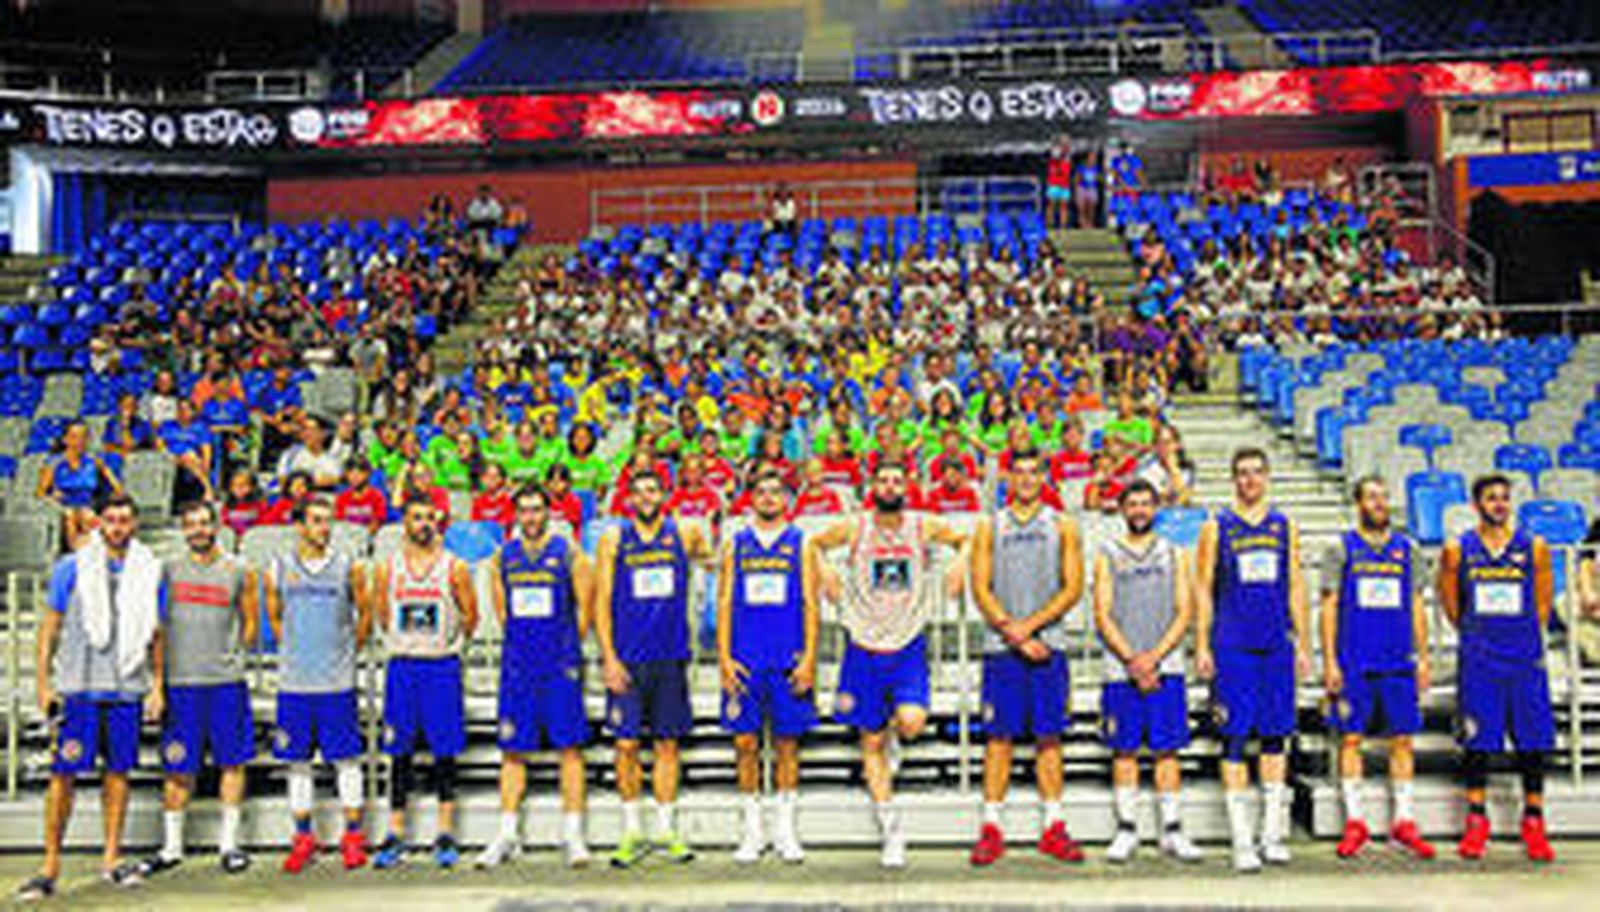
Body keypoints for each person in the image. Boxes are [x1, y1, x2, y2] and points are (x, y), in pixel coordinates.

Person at [807, 459, 968, 868]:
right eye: (883, 479)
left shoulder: (922, 525)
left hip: (907, 642)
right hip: (862, 643)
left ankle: (896, 736)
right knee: (870, 742)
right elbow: (813, 544)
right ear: (872, 486)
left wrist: (959, 562)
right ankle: (890, 829)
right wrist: (824, 568)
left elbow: (966, 538)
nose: (890, 485)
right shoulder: (856, 526)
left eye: (898, 479)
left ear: (907, 486)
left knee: (912, 721)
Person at [17, 495, 166, 901]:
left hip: (126, 688)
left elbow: (155, 633)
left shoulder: (149, 570)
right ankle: (49, 867)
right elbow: (49, 628)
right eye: (112, 519)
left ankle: (112, 860)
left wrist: (157, 685)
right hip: (78, 689)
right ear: (101, 523)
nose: (118, 526)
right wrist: (43, 684)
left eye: (125, 520)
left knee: (118, 775)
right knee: (62, 776)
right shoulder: (72, 567)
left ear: (134, 525)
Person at [968, 449, 1086, 866]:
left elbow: (1073, 587)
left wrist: (1030, 627)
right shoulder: (989, 526)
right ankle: (991, 827)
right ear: (1007, 478)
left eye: (1034, 472)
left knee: (1049, 736)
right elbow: (980, 587)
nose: (1026, 479)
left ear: (1044, 478)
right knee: (998, 737)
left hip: (1048, 646)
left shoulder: (1063, 525)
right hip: (1002, 648)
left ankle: (1053, 827)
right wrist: (1014, 634)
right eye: (1018, 472)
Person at [1195, 447, 1311, 872]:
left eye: (1256, 473)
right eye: (1241, 473)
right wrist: (1203, 645)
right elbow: (1203, 588)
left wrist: (1304, 643)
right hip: (1232, 645)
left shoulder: (1285, 525)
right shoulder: (1216, 526)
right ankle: (1242, 840)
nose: (1249, 480)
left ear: (1267, 477)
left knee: (1276, 738)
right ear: (1232, 479)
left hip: (1275, 646)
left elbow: (1296, 584)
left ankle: (1272, 834)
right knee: (1235, 739)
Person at [592, 471, 715, 867]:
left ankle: (665, 828)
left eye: (653, 490)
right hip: (628, 658)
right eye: (639, 491)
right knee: (626, 744)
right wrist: (608, 656)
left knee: (666, 743)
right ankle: (631, 831)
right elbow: (602, 601)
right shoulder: (614, 539)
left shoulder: (685, 533)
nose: (646, 497)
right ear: (628, 498)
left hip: (670, 654)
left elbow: (716, 563)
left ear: (665, 494)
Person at [1438, 474, 1556, 863]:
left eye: (1505, 498)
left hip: (1523, 657)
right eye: (1492, 498)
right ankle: (1477, 819)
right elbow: (1451, 603)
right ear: (1477, 504)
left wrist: (1522, 635)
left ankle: (1534, 819)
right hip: (1480, 658)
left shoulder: (1533, 547)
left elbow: (1542, 604)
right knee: (1478, 741)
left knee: (1532, 739)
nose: (1500, 504)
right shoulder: (1458, 550)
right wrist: (1474, 634)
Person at [477, 486, 595, 869]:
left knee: (570, 749)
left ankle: (573, 836)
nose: (530, 517)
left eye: (537, 510)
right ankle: (508, 834)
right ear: (515, 516)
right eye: (524, 511)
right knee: (512, 751)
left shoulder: (568, 552)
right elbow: (503, 614)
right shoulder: (502, 558)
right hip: (519, 666)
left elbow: (585, 610)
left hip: (560, 666)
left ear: (549, 512)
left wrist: (563, 650)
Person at [1320, 476, 1435, 860]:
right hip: (1355, 661)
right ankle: (1355, 822)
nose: (1380, 503)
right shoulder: (1341, 548)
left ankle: (1403, 821)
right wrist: (1330, 660)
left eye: (1384, 497)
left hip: (1398, 661)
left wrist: (1423, 657)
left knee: (1402, 740)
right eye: (1372, 497)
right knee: (1350, 739)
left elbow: (1418, 606)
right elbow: (1330, 606)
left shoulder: (1409, 549)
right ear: (1358, 503)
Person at [141, 501, 258, 877]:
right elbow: (155, 630)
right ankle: (172, 847)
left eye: (205, 523)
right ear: (183, 530)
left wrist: (234, 657)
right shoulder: (168, 572)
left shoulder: (238, 569)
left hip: (225, 683)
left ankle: (230, 846)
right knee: (178, 767)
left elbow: (251, 621)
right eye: (191, 525)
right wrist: (157, 685)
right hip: (181, 684)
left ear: (216, 526)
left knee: (232, 762)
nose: (199, 530)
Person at [1093, 479, 1205, 864]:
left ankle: (1171, 831)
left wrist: (1153, 657)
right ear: (1122, 509)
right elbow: (1102, 612)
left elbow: (1184, 610)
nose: (1139, 510)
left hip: (1166, 666)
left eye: (1146, 503)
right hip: (1120, 668)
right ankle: (1127, 831)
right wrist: (1133, 660)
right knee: (1123, 749)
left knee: (1165, 749)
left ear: (1156, 508)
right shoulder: (1107, 552)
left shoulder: (1174, 552)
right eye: (1133, 503)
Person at [264, 496, 374, 874]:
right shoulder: (279, 567)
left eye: (328, 521)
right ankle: (303, 837)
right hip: (294, 683)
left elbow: (365, 613)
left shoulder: (348, 566)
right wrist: (295, 650)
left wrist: (345, 651)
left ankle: (353, 836)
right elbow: (275, 617)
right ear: (299, 525)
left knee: (346, 760)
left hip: (336, 683)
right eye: (316, 521)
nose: (324, 528)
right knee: (297, 764)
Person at [717, 469, 820, 864]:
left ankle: (785, 830)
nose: (769, 498)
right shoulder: (735, 545)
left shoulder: (801, 543)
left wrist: (810, 656)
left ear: (786, 499)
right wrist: (724, 657)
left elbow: (811, 603)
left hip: (787, 659)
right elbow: (725, 603)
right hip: (745, 660)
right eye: (761, 492)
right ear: (750, 499)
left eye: (776, 491)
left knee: (786, 745)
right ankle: (752, 831)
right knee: (745, 745)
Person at [371, 499, 479, 869]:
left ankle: (445, 832)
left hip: (441, 668)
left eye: (429, 518)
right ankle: (395, 833)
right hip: (403, 666)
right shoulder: (388, 569)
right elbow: (382, 616)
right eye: (416, 517)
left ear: (438, 523)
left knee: (444, 753)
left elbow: (471, 616)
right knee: (398, 752)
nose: (423, 524)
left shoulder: (455, 567)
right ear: (404, 523)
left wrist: (445, 645)